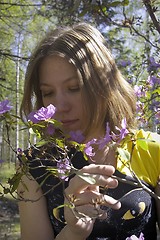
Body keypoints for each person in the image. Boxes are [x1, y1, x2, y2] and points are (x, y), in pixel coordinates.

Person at [17, 22, 160, 240]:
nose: (60, 106)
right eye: (48, 93)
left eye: (75, 88)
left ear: (105, 85)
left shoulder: (150, 150)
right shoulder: (33, 165)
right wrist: (73, 232)